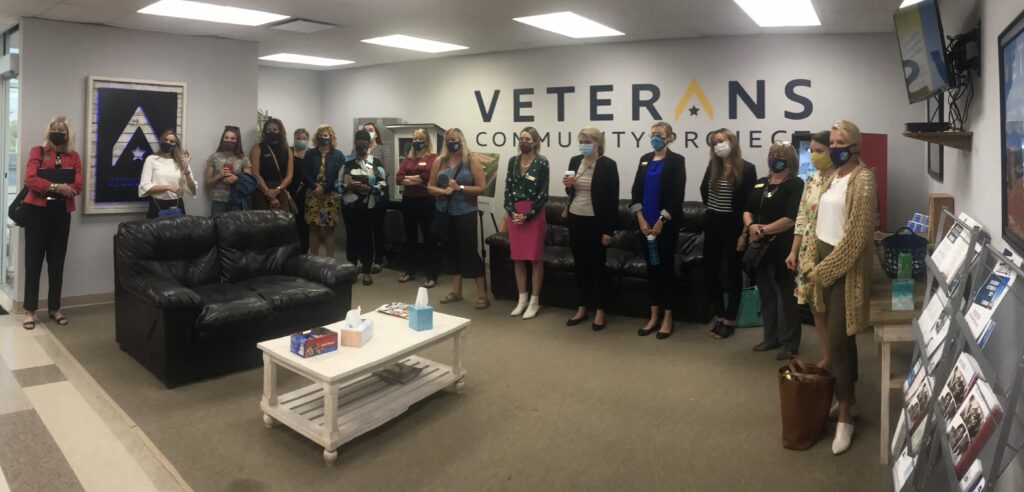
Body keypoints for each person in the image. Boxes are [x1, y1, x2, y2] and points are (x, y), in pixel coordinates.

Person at [801, 120, 877, 455]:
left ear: (856, 145)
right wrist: (810, 258)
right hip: (822, 262)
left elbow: (857, 238)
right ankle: (851, 401)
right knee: (839, 340)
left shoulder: (863, 179)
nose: (834, 147)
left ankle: (845, 415)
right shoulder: (833, 177)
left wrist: (824, 271)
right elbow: (818, 222)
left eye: (840, 142)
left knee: (839, 342)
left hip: (843, 270)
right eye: (831, 142)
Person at [743, 141, 804, 360]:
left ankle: (789, 343)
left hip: (783, 246)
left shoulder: (795, 184)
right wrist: (751, 226)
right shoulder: (761, 182)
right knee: (766, 293)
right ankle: (770, 338)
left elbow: (792, 218)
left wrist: (764, 230)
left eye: (780, 155)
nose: (774, 159)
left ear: (790, 160)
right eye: (772, 154)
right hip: (760, 247)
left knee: (785, 296)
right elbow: (747, 209)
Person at [21, 116, 82, 330]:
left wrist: (66, 188)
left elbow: (78, 184)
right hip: (37, 213)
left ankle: (55, 308)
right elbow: (30, 179)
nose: (58, 133)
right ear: (49, 132)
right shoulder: (37, 152)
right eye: (55, 129)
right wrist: (57, 187)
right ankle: (30, 310)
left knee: (57, 263)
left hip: (61, 214)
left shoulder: (73, 156)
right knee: (33, 261)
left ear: (67, 135)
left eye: (62, 131)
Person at [629, 121, 685, 339]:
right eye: (652, 134)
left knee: (665, 270)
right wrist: (641, 219)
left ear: (669, 137)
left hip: (665, 226)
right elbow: (635, 191)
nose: (654, 138)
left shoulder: (677, 161)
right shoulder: (645, 159)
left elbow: (677, 196)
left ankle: (667, 318)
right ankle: (653, 316)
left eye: (659, 134)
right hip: (645, 226)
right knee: (651, 270)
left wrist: (661, 220)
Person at [700, 128, 757, 340]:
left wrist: (744, 233)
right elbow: (704, 191)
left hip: (734, 226)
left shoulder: (747, 169)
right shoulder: (712, 166)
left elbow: (749, 204)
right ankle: (720, 315)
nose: (718, 145)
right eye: (714, 142)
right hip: (713, 223)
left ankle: (730, 319)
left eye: (721, 140)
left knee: (733, 272)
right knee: (710, 271)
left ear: (732, 142)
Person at [786, 131, 835, 368]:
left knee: (834, 310)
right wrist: (794, 251)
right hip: (808, 250)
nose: (814, 155)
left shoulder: (843, 180)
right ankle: (828, 356)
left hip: (831, 249)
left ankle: (840, 358)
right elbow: (802, 217)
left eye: (820, 151)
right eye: (811, 151)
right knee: (816, 308)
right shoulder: (811, 180)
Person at [564, 126, 619, 331]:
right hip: (575, 218)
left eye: (587, 142)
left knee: (597, 267)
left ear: (597, 143)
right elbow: (569, 190)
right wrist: (568, 184)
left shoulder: (608, 165)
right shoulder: (574, 161)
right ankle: (581, 308)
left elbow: (612, 200)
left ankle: (599, 311)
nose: (583, 146)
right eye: (581, 142)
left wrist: (608, 230)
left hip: (596, 222)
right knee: (580, 266)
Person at [427, 128, 489, 309]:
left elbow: (481, 187)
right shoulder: (439, 161)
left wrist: (459, 187)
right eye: (448, 140)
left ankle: (482, 295)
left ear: (461, 141)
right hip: (445, 212)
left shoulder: (471, 160)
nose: (451, 143)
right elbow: (430, 187)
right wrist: (442, 191)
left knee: (469, 252)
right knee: (450, 251)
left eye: (454, 140)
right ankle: (457, 292)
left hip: (466, 212)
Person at [502, 127, 549, 319]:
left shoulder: (542, 162)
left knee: (535, 259)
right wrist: (511, 211)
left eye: (528, 139)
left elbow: (543, 193)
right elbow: (507, 189)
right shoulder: (512, 161)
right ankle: (522, 299)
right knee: (518, 259)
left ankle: (534, 301)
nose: (524, 142)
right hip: (515, 215)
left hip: (534, 215)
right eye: (521, 138)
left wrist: (528, 215)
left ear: (535, 142)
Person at [341, 129, 387, 284]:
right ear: (355, 144)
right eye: (359, 144)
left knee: (367, 238)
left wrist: (372, 189)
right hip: (350, 207)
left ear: (369, 145)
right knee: (351, 238)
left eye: (364, 144)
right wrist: (347, 186)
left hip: (369, 207)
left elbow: (383, 184)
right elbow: (337, 184)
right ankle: (351, 270)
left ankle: (366, 271)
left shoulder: (376, 163)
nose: (361, 146)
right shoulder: (347, 162)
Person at [396, 128, 439, 288]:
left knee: (429, 238)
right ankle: (410, 270)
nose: (417, 141)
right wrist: (418, 179)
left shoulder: (432, 158)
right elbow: (399, 178)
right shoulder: (408, 159)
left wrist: (411, 178)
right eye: (415, 138)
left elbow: (428, 176)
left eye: (420, 139)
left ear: (426, 141)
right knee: (410, 238)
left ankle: (431, 274)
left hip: (426, 201)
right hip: (409, 201)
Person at [302, 125, 344, 259]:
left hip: (330, 196)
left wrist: (325, 189)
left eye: (325, 135)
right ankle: (314, 260)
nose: (323, 137)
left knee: (329, 229)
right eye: (320, 135)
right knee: (313, 228)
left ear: (331, 137)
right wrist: (316, 187)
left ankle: (329, 260)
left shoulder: (338, 155)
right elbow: (304, 173)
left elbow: (340, 176)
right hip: (313, 194)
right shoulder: (310, 153)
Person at [139, 129, 197, 219]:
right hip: (157, 205)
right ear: (161, 141)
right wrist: (168, 187)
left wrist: (186, 169)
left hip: (177, 204)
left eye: (172, 141)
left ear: (175, 145)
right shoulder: (151, 159)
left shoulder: (181, 162)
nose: (168, 143)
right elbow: (144, 187)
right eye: (165, 140)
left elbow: (193, 190)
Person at [249, 118, 295, 212]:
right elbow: (255, 173)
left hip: (280, 190)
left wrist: (277, 190)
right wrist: (268, 192)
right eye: (268, 130)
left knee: (283, 220)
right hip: (261, 190)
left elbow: (289, 176)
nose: (271, 132)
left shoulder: (288, 150)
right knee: (262, 220)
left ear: (280, 131)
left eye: (275, 130)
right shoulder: (257, 148)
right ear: (265, 132)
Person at [204, 125, 251, 215]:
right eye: (226, 138)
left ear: (237, 141)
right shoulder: (214, 157)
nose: (229, 140)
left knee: (236, 224)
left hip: (237, 200)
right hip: (218, 200)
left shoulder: (243, 159)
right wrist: (218, 176)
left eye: (232, 138)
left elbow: (249, 181)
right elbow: (207, 183)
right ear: (222, 139)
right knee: (216, 223)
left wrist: (237, 179)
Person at [291, 128, 311, 253]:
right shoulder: (288, 152)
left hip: (307, 192)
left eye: (304, 138)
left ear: (308, 140)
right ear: (294, 139)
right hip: (291, 192)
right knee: (292, 222)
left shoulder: (311, 154)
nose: (301, 140)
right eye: (298, 138)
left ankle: (304, 251)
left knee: (305, 223)